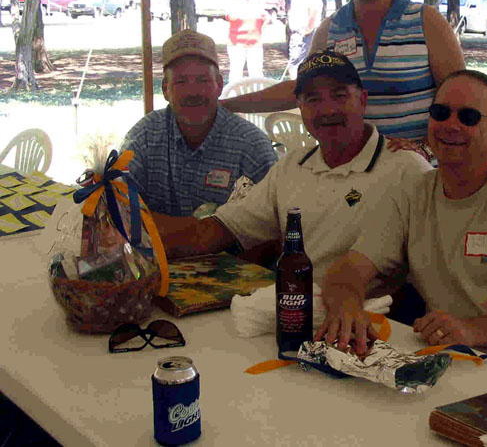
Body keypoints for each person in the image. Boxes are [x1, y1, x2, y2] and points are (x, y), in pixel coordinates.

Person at [316, 70, 487, 384]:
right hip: (458, 363)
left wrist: (472, 330)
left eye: (469, 117)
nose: (451, 125)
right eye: (441, 112)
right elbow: (350, 268)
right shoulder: (412, 192)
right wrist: (347, 308)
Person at [153, 50, 432, 290]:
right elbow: (221, 228)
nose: (327, 110)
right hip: (292, 311)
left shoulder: (405, 168)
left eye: (339, 95)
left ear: (362, 99)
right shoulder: (291, 166)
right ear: (299, 106)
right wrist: (147, 256)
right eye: (312, 99)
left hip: (373, 325)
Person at [221, 0, 464, 149]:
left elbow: (459, 97)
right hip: (354, 171)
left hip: (418, 171)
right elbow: (299, 89)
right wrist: (225, 105)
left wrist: (423, 147)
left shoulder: (426, 21)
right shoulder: (329, 30)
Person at [122, 29, 277, 217]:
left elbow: (273, 221)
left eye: (202, 80)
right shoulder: (144, 136)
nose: (192, 92)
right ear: (165, 89)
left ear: (219, 85)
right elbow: (120, 204)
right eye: (181, 82)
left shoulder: (251, 146)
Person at [225, 0, 268, 83]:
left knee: (257, 74)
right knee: (236, 74)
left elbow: (265, 19)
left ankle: (258, 97)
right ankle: (233, 98)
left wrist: (265, 17)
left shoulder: (256, 3)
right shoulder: (233, 3)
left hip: (255, 44)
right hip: (236, 45)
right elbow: (231, 16)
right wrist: (247, 9)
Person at [287, 0, 323, 79]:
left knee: (296, 66)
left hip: (303, 35)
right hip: (304, 34)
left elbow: (315, 9)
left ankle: (296, 94)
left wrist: (308, 28)